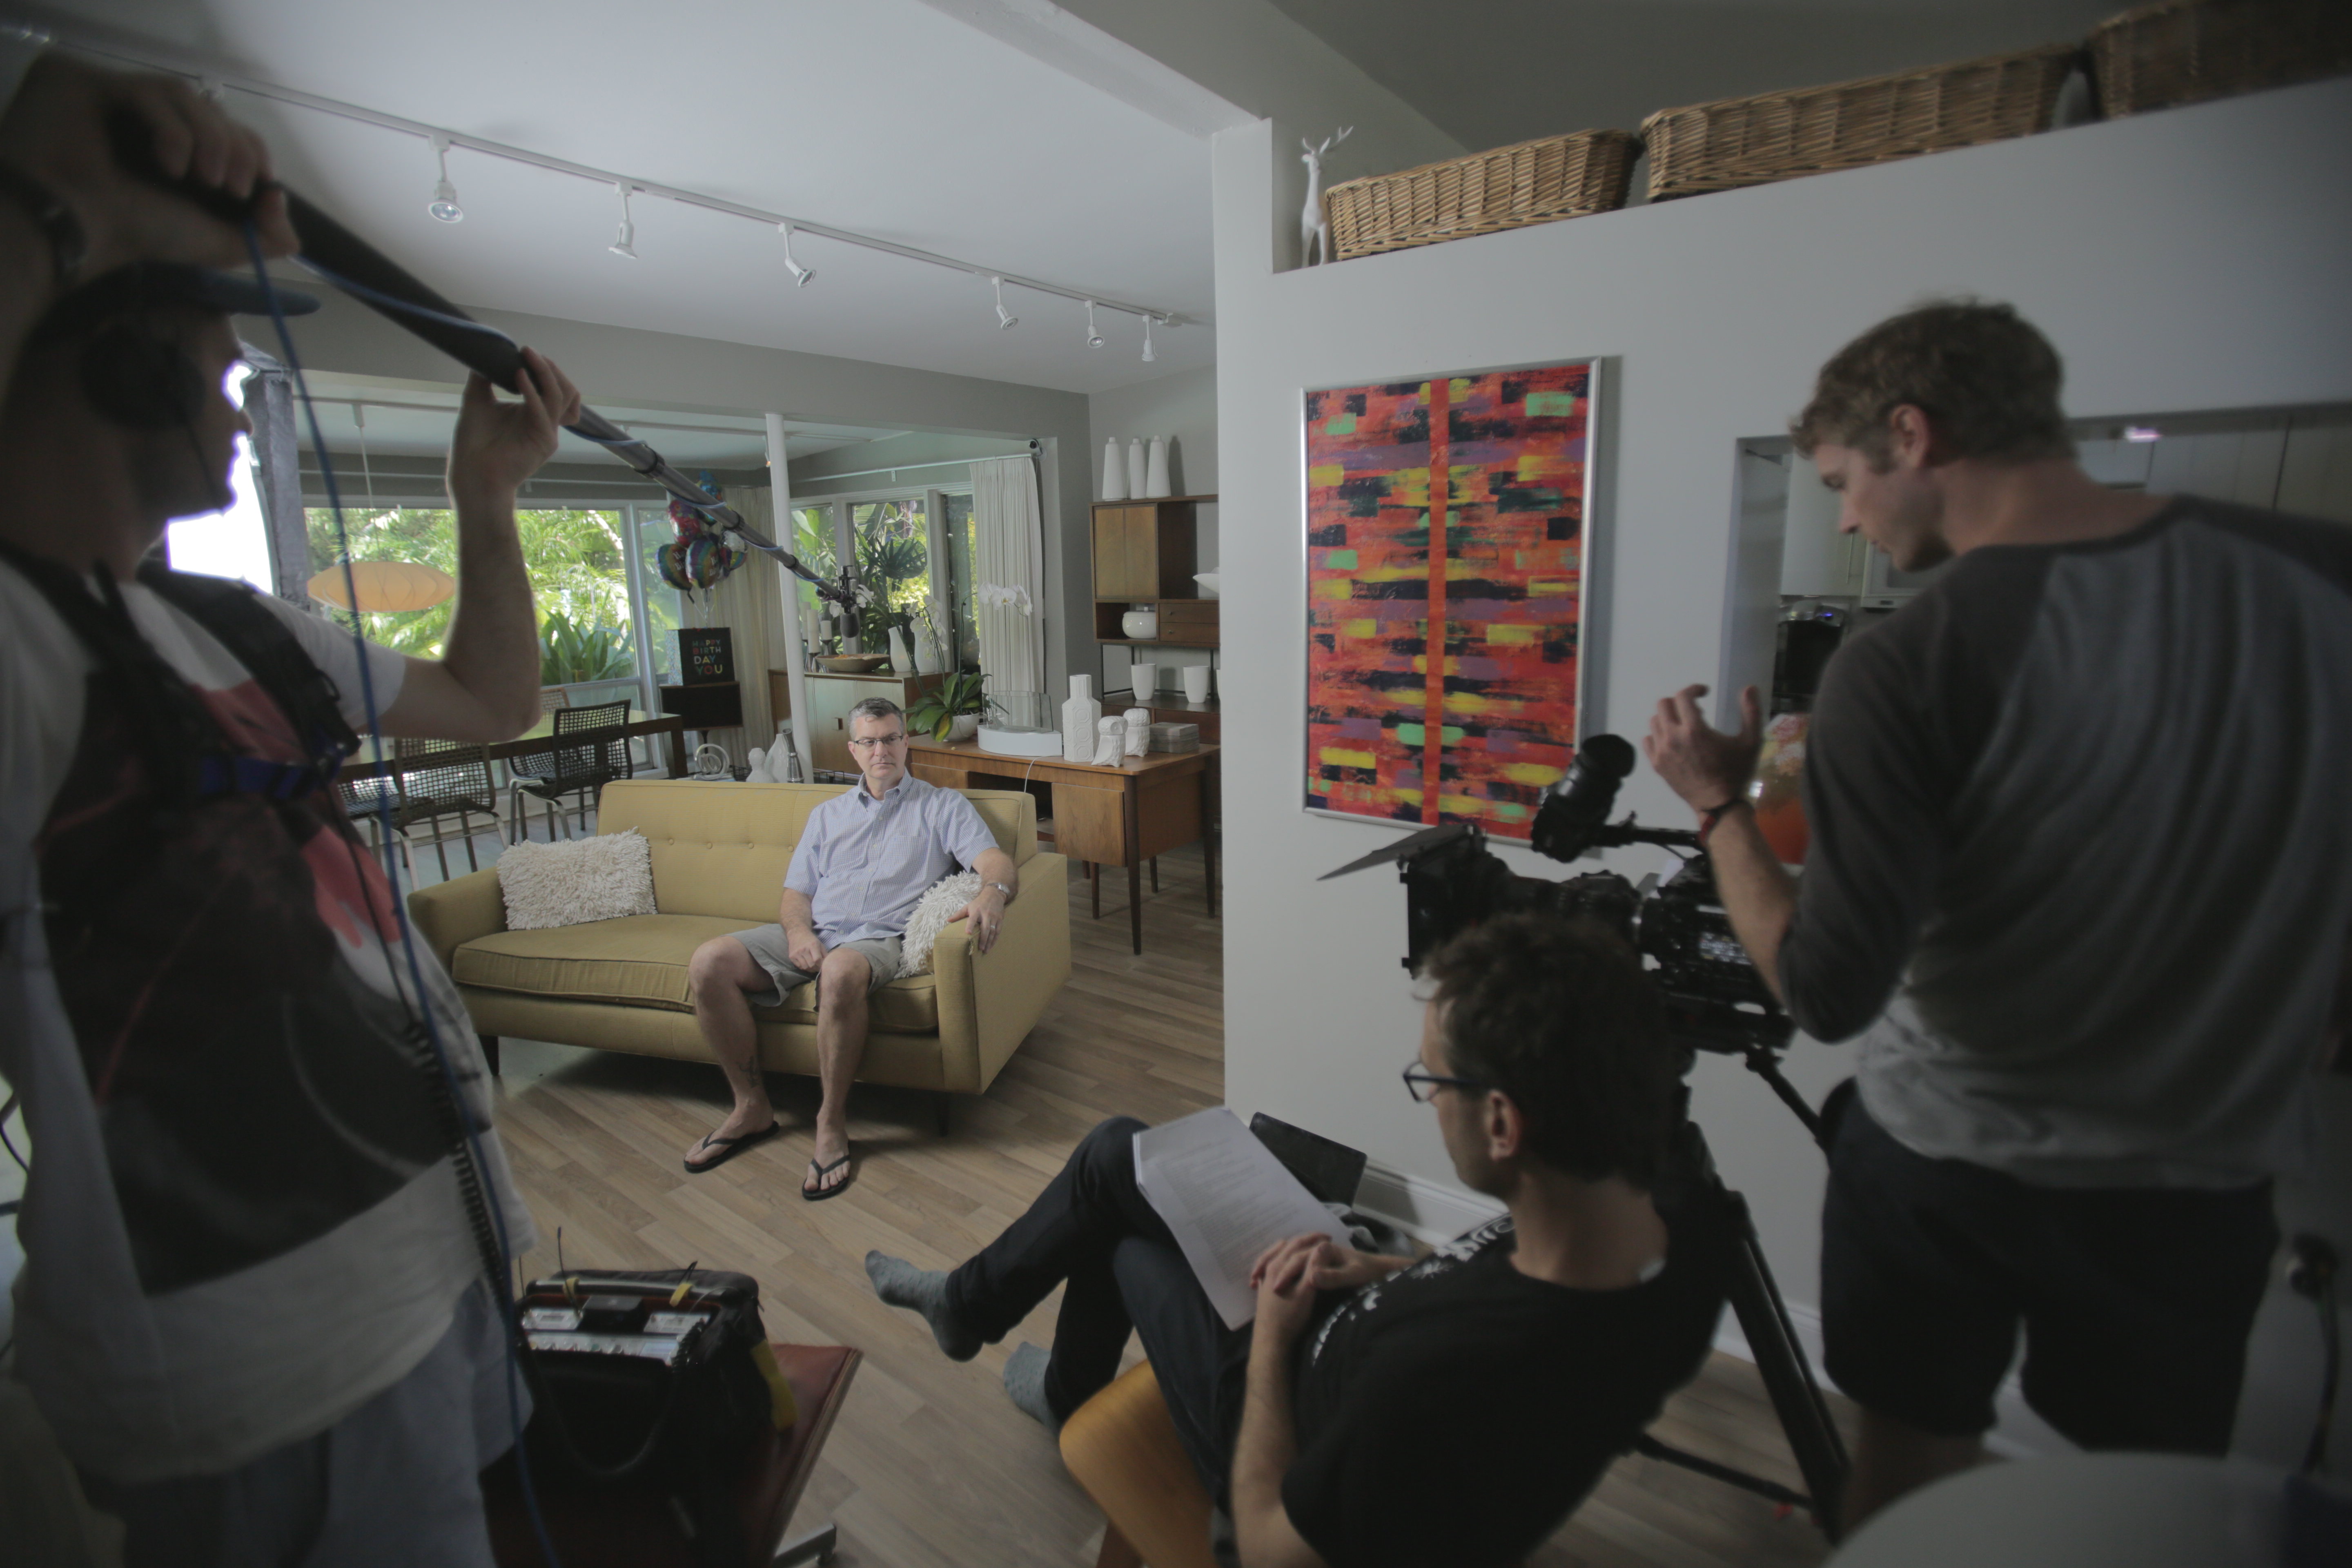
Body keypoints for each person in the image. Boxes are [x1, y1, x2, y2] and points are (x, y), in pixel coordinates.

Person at [0, 50, 584, 1564]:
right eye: (218, 365)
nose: (243, 402)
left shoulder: (245, 629)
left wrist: (485, 499)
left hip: (440, 1265)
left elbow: (492, 699)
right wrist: (51, 204)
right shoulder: (27, 658)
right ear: (120, 363)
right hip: (263, 1381)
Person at [1642, 298, 2352, 1529]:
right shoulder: (2320, 578)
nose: (1845, 518)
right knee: (2146, 1501)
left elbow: (1825, 988)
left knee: (1909, 1467)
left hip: (1948, 1163)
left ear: (1911, 434)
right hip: (2199, 1179)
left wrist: (1716, 805)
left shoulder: (1907, 660)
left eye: (1841, 481)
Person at [867, 913, 1728, 1568]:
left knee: (1117, 1228)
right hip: (1340, 1309)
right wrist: (1383, 1266)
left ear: (1502, 1123)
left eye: (1432, 1079)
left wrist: (1277, 1341)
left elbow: (1264, 1546)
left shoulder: (1428, 1385)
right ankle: (987, 1322)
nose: (1431, 1099)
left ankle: (1004, 1340)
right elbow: (1496, 1282)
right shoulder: (1682, 1226)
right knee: (1120, 1153)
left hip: (1272, 1399)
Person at [682, 695, 1018, 1195]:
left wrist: (993, 892)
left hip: (878, 939)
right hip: (816, 931)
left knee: (839, 971)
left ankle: (831, 1121)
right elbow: (796, 894)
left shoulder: (942, 806)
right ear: (853, 750)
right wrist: (799, 933)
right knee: (709, 962)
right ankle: (751, 1107)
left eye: (891, 739)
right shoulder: (827, 815)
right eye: (870, 742)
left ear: (906, 743)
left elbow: (995, 862)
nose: (881, 751)